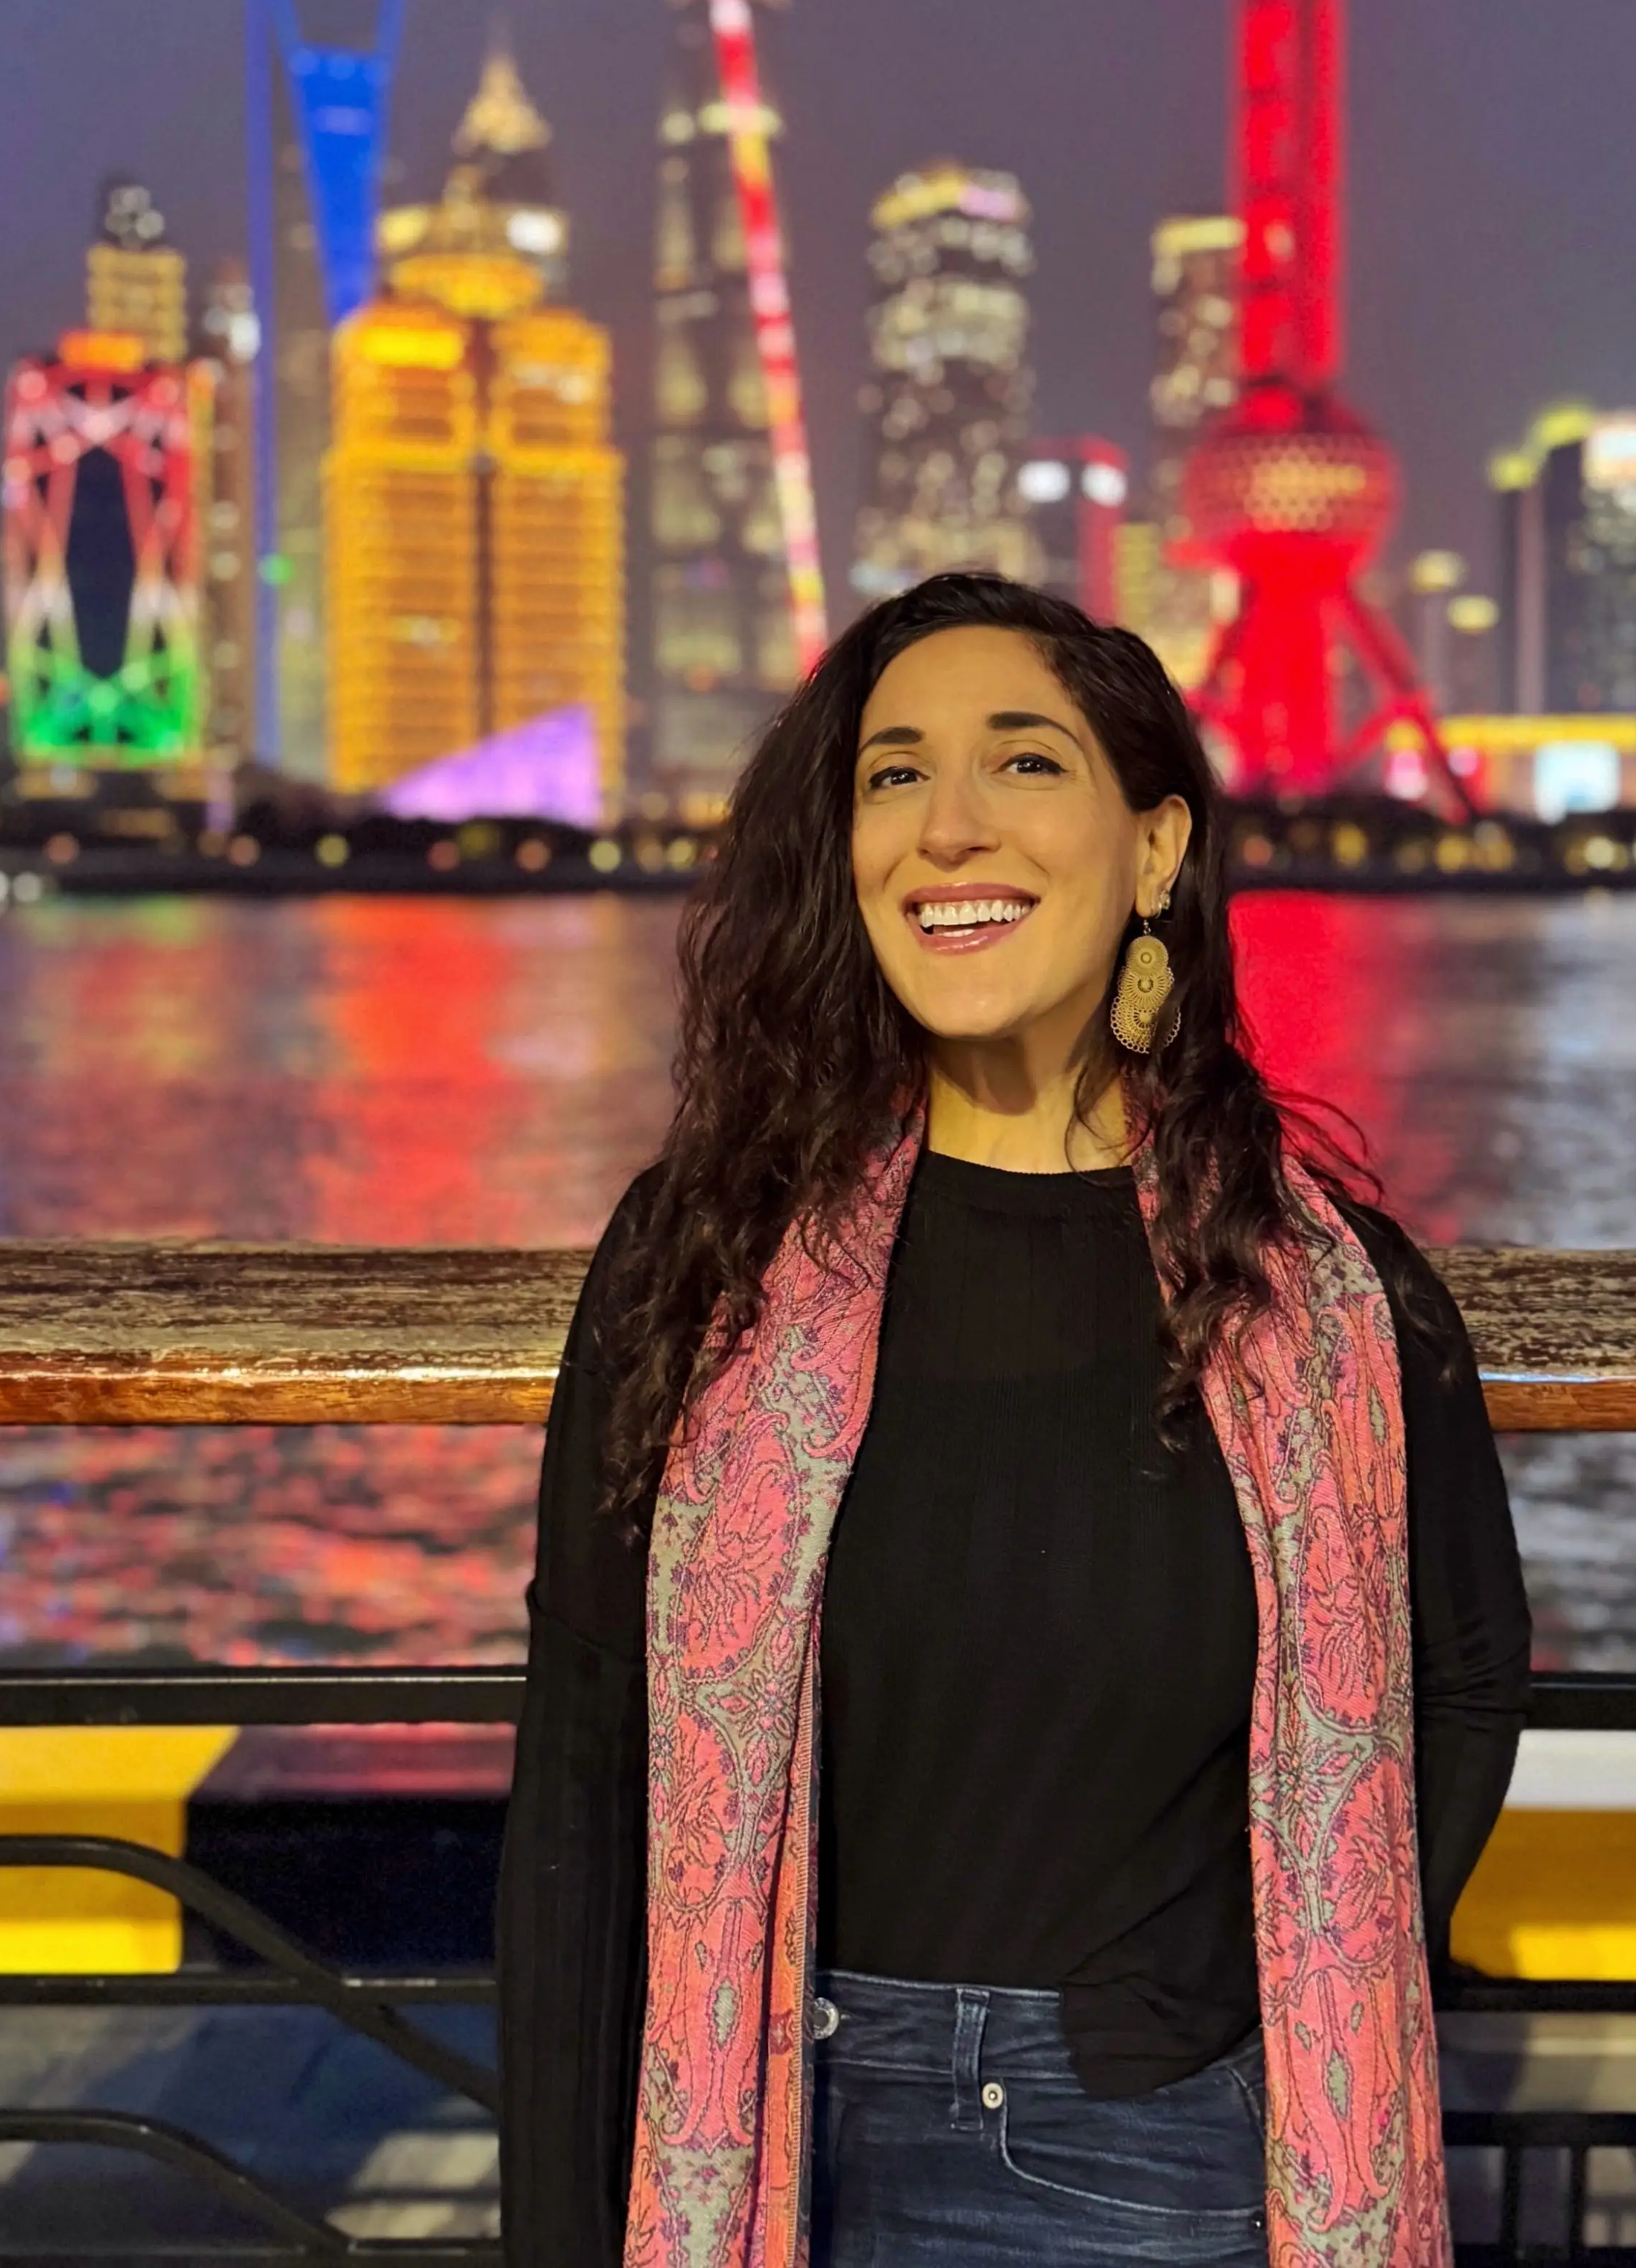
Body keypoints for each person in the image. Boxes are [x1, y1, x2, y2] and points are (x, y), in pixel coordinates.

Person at [498, 572, 1529, 2268]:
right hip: (749, 2133)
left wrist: (1232, 1977)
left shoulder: (1327, 1298)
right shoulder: (705, 1261)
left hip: (1155, 2154)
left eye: (1023, 763)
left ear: (1153, 850)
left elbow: (1465, 1672)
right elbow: (587, 1758)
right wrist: (555, 2221)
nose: (946, 826)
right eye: (892, 775)